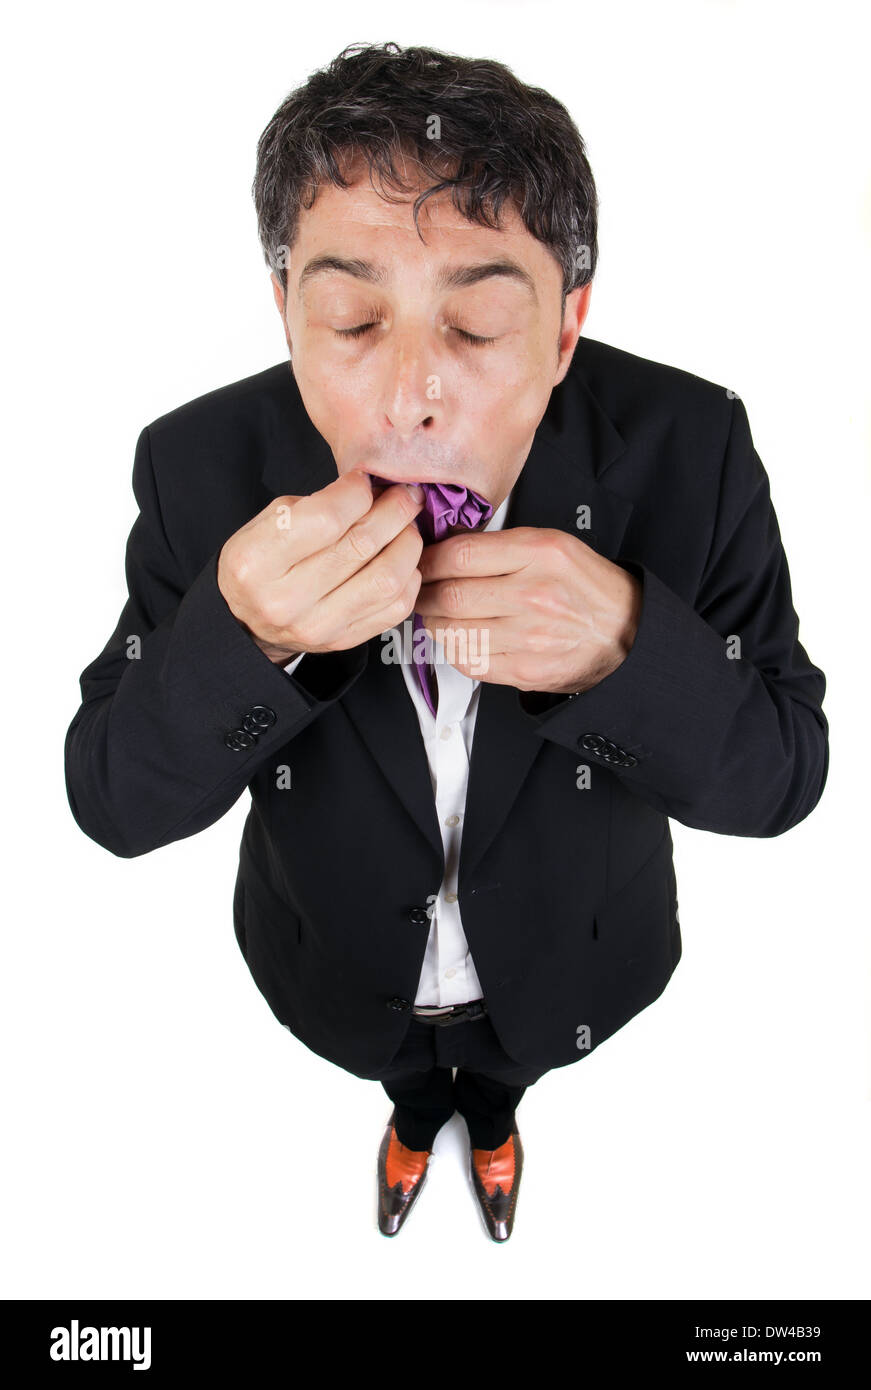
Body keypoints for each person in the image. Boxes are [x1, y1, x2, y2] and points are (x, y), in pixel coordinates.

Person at [64, 42, 829, 1242]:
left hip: (577, 953)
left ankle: (502, 1112)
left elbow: (786, 774)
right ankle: (415, 1117)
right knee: (409, 1072)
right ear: (284, 310)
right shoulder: (195, 467)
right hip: (335, 959)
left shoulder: (696, 446)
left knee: (504, 1066)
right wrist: (246, 635)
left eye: (475, 324)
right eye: (352, 317)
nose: (411, 394)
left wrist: (625, 650)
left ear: (566, 327)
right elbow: (111, 800)